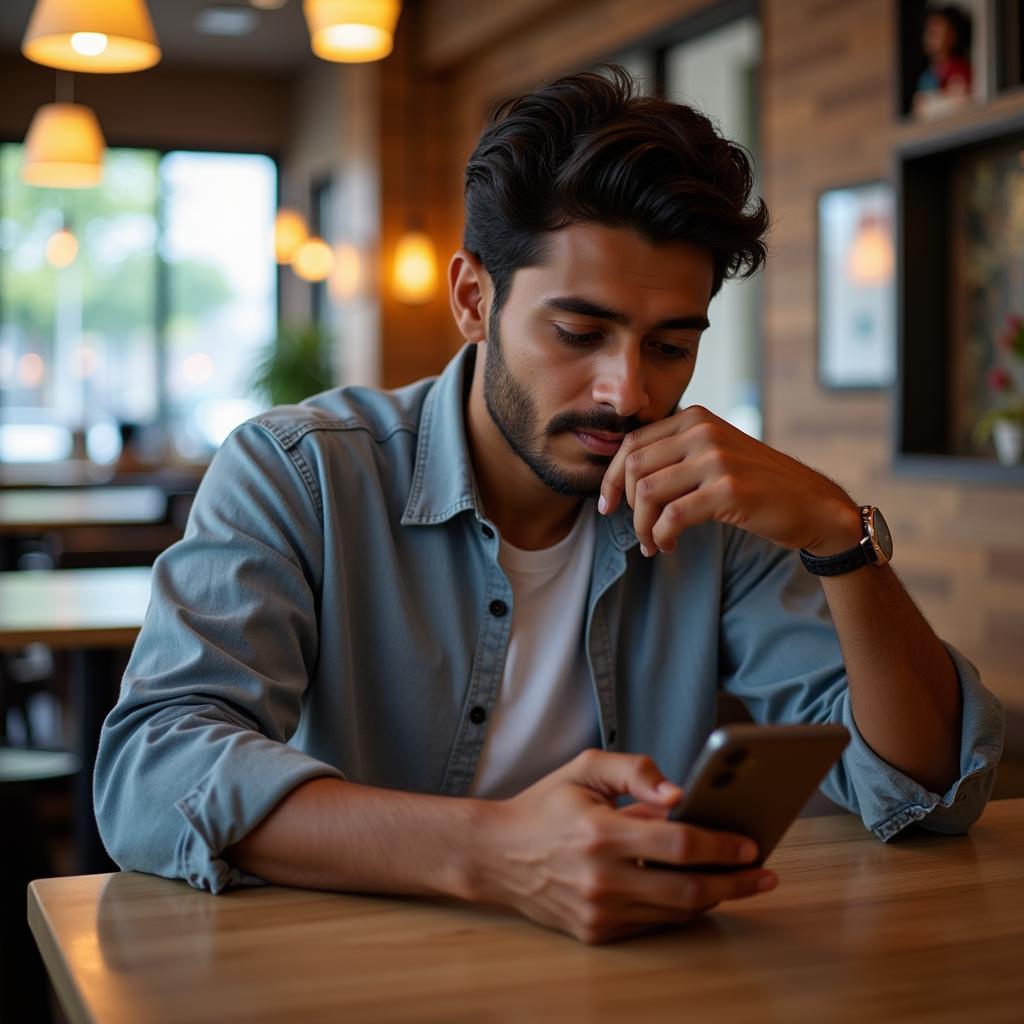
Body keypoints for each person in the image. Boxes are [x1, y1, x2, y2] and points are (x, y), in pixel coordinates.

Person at [95, 67, 1003, 945]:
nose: (627, 392)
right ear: (472, 299)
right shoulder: (302, 473)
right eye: (580, 332)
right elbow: (153, 770)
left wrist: (840, 537)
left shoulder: (712, 514)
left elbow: (924, 788)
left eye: (671, 346)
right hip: (363, 971)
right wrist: (496, 852)